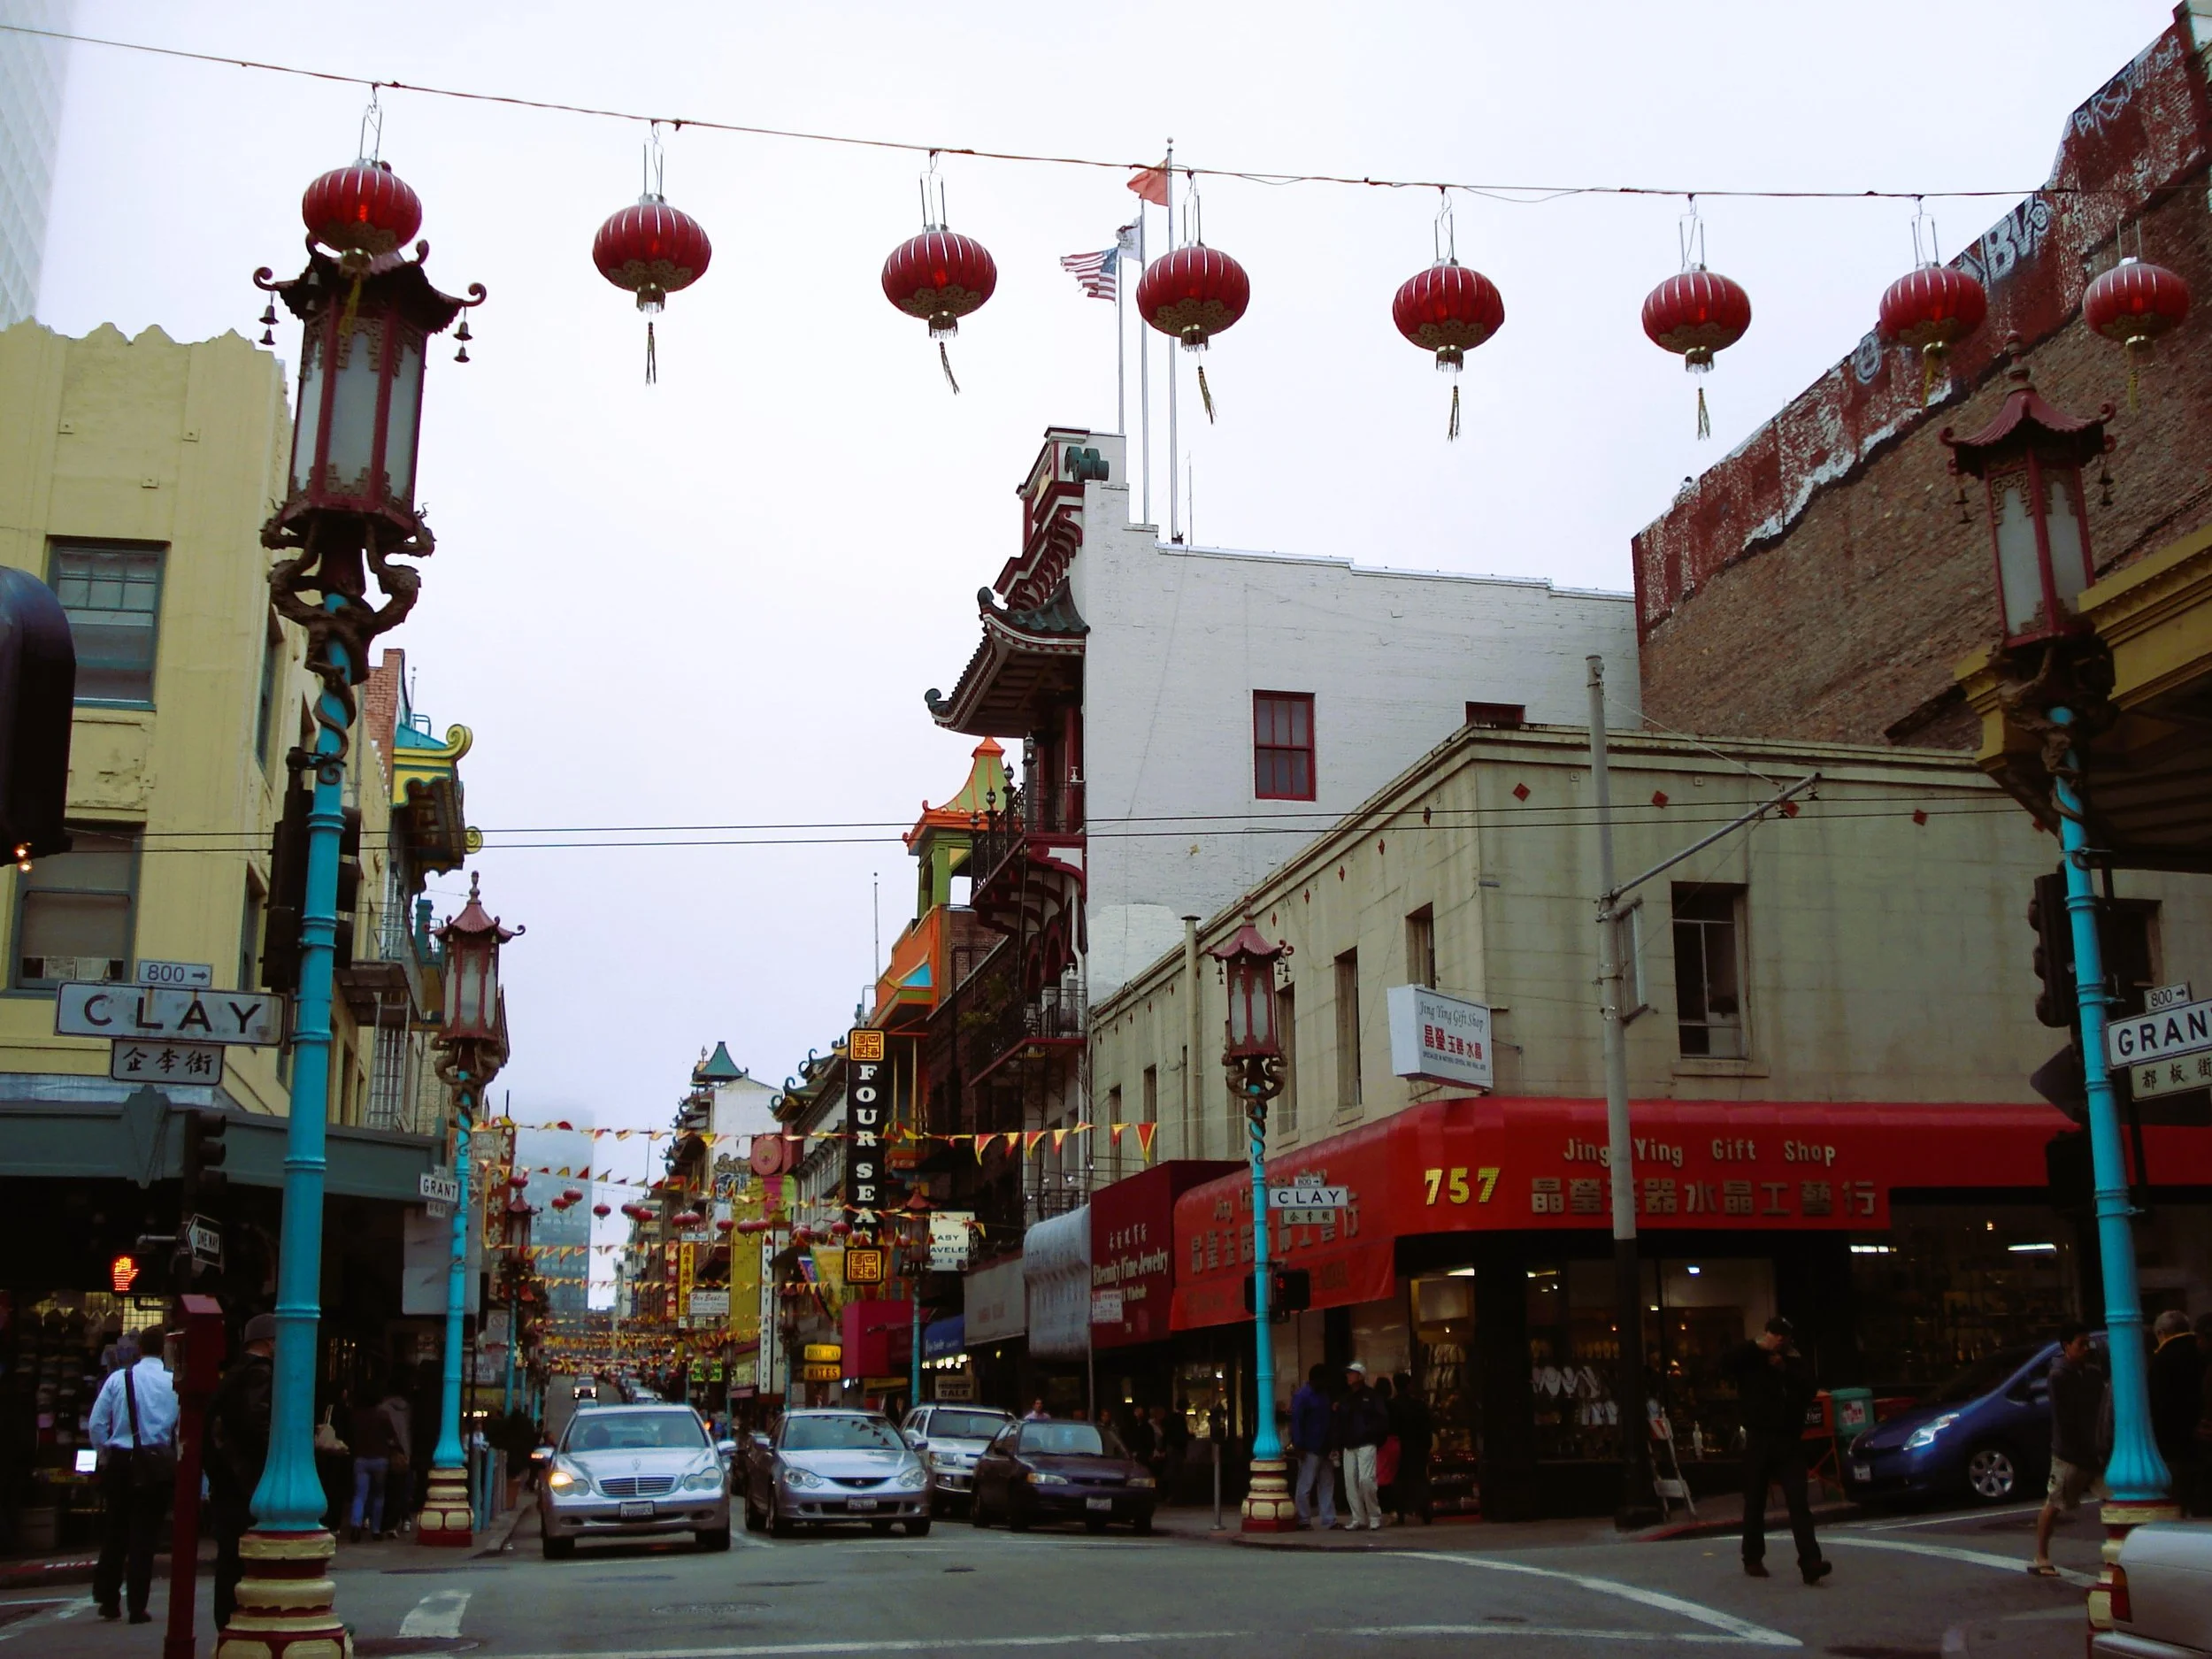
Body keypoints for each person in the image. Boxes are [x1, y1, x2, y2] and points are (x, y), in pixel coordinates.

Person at [1721, 1317, 1830, 1586]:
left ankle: (1811, 1562)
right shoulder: (1750, 1357)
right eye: (1775, 1334)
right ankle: (1752, 1557)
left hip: (1789, 1440)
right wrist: (1755, 1347)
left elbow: (1809, 1389)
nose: (1780, 1339)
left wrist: (1785, 1370)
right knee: (1755, 1500)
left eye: (1785, 1335)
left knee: (1798, 1501)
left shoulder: (1795, 1361)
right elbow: (1723, 1364)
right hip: (1759, 1438)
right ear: (1766, 1333)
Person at [87, 1327, 179, 1624]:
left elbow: (97, 1423)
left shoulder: (119, 1379)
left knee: (115, 1530)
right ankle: (138, 1605)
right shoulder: (172, 1383)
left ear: (139, 1349)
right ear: (164, 1350)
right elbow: (178, 1429)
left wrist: (104, 1454)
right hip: (156, 1462)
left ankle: (108, 1598)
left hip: (122, 1460)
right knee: (145, 1537)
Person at [208, 1314, 276, 1632]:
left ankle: (226, 1618)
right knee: (247, 1553)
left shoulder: (233, 1374)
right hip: (246, 1478)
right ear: (269, 1342)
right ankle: (241, 1617)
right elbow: (257, 1424)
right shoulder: (260, 1373)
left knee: (230, 1554)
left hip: (226, 1477)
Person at [2031, 1322, 2108, 1576]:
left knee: (2113, 1498)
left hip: (2095, 1450)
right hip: (2071, 1453)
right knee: (2055, 1502)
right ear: (2067, 1346)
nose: (2087, 1348)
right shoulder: (2059, 1376)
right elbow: (2065, 1420)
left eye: (2088, 1343)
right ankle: (2041, 1555)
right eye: (2081, 1344)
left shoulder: (2091, 1373)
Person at [2148, 1309, 2201, 1494]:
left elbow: (2159, 1408)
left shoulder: (2161, 1362)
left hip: (2174, 1449)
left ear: (2161, 1333)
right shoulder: (2202, 1353)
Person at [1336, 1362, 1391, 1532]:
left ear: (1360, 1376)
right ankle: (1358, 1517)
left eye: (1351, 1373)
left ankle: (1374, 1516)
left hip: (1366, 1443)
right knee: (1350, 1482)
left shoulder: (1372, 1396)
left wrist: (1372, 1435)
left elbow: (1382, 1420)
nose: (1348, 1376)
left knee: (1366, 1480)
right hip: (1349, 1444)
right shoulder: (1346, 1398)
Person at [349, 1382, 406, 1542]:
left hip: (361, 1458)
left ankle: (356, 1525)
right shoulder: (382, 1415)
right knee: (378, 1495)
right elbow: (392, 1437)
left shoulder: (357, 1415)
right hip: (380, 1458)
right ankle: (375, 1529)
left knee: (360, 1494)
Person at [1289, 1364, 1338, 1531]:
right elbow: (1297, 1422)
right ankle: (1304, 1519)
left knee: (1325, 1483)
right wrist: (1299, 1445)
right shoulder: (1303, 1396)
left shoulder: (1319, 1395)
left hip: (1323, 1445)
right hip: (1309, 1446)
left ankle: (1328, 1519)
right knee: (1306, 1485)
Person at [1391, 1371, 1435, 1525]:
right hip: (1418, 1447)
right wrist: (1427, 1445)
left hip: (1400, 1447)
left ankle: (1401, 1512)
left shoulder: (1392, 1405)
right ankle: (1425, 1510)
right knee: (1420, 1478)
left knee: (1400, 1480)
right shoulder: (1419, 1405)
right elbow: (1427, 1426)